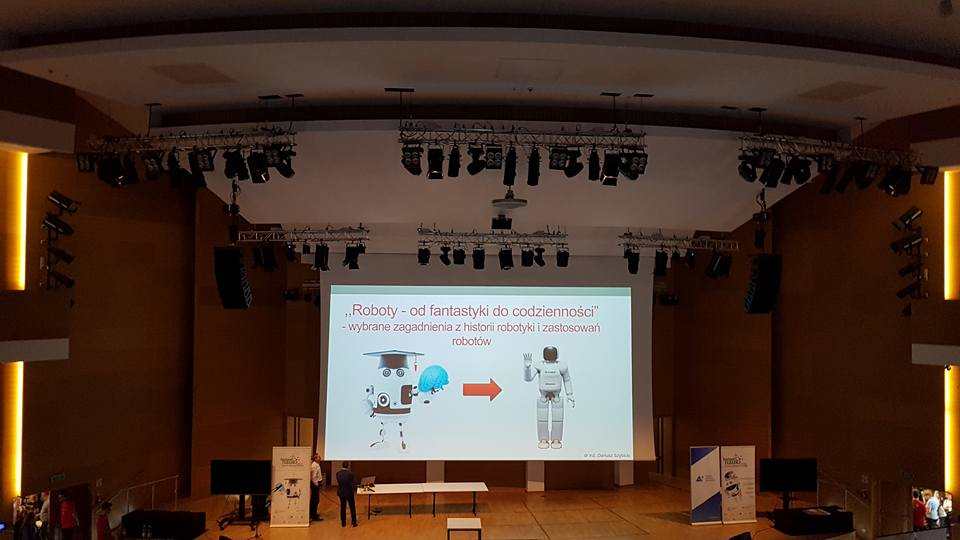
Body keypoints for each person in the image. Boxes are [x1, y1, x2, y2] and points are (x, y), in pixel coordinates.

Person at [335, 462, 358, 528]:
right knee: (352, 507)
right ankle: (354, 522)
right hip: (349, 492)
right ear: (348, 466)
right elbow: (354, 483)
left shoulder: (338, 473)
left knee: (343, 507)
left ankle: (343, 523)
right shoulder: (350, 474)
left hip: (341, 492)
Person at [310, 453, 324, 522]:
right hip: (315, 485)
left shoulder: (316, 464)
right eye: (319, 457)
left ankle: (313, 513)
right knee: (315, 500)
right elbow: (314, 476)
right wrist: (316, 484)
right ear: (315, 458)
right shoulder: (314, 465)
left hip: (316, 484)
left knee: (315, 500)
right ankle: (313, 515)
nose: (320, 458)